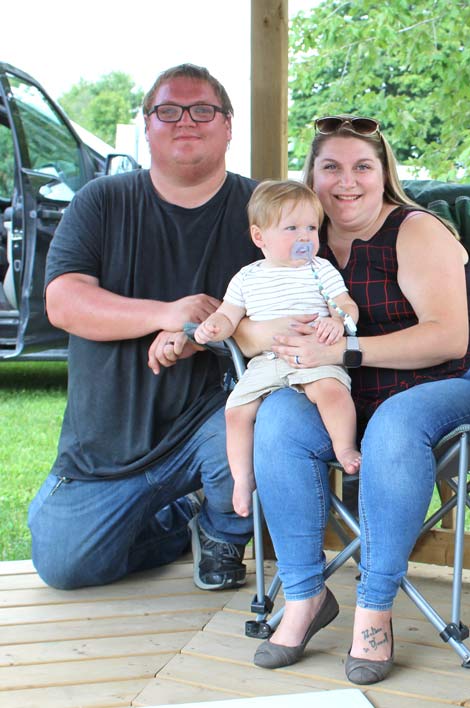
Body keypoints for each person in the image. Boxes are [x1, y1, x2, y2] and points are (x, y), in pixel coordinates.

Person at [234, 115, 470, 683]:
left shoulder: (415, 230)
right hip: (345, 394)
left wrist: (343, 350)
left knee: (394, 423)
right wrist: (264, 334)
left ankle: (374, 609)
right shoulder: (296, 240)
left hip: (454, 384)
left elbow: (448, 339)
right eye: (330, 167)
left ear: (384, 174)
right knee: (280, 417)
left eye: (363, 166)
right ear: (311, 176)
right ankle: (306, 596)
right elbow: (244, 322)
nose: (347, 181)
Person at [27, 64, 259, 592]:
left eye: (203, 110)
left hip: (212, 424)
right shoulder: (101, 201)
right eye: (168, 111)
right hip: (107, 447)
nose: (186, 121)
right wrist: (166, 313)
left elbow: (297, 303)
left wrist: (201, 333)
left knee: (268, 418)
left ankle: (223, 530)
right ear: (146, 125)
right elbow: (64, 302)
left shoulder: (263, 208)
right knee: (64, 564)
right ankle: (184, 518)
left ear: (228, 125)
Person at [195, 179, 361, 517]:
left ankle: (345, 449)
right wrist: (214, 326)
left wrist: (338, 321)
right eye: (292, 228)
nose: (305, 237)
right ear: (260, 237)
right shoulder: (247, 277)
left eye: (311, 228)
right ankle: (242, 479)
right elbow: (229, 315)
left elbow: (345, 304)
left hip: (313, 354)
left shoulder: (320, 269)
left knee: (332, 391)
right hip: (266, 361)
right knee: (236, 412)